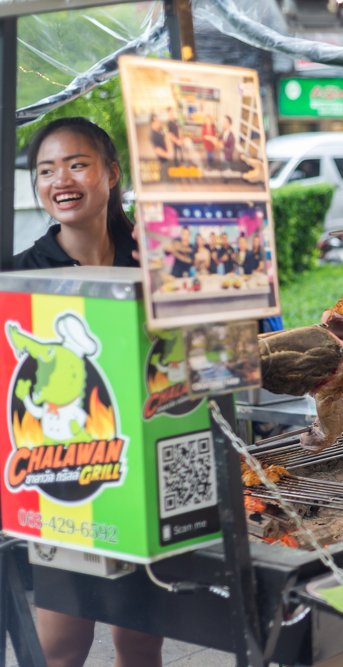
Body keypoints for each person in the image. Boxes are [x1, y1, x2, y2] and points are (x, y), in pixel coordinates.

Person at [13, 117, 163, 666]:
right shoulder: (23, 275)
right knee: (62, 648)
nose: (61, 180)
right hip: (64, 481)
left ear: (110, 173)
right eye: (46, 170)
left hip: (144, 476)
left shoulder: (150, 260)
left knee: (143, 639)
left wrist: (168, 271)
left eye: (77, 164)